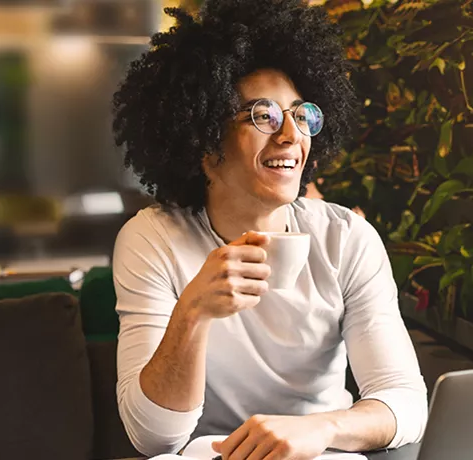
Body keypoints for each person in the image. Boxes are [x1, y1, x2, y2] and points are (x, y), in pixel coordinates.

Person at [109, 1, 428, 459]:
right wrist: (192, 313)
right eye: (263, 115)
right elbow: (154, 438)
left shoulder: (348, 240)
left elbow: (405, 402)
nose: (290, 136)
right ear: (202, 143)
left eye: (301, 115)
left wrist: (319, 430)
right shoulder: (153, 240)